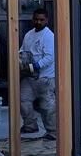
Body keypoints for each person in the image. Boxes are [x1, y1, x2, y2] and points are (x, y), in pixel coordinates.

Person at [19, 7, 56, 138]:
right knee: (22, 100)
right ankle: (30, 126)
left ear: (47, 20)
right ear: (32, 19)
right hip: (29, 77)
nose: (38, 22)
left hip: (45, 78)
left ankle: (53, 132)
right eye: (36, 19)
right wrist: (20, 62)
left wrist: (35, 66)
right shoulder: (29, 35)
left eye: (41, 20)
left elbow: (50, 57)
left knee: (47, 106)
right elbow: (22, 50)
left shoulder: (49, 36)